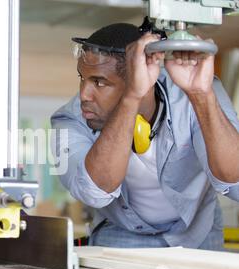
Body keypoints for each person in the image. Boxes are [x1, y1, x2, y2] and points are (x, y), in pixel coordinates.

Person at [51, 23, 239, 250]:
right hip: (122, 231)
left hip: (197, 230)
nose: (84, 95)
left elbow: (235, 184)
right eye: (83, 78)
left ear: (146, 81)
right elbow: (94, 193)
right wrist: (131, 97)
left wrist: (201, 95)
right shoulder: (70, 119)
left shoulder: (194, 95)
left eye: (99, 82)